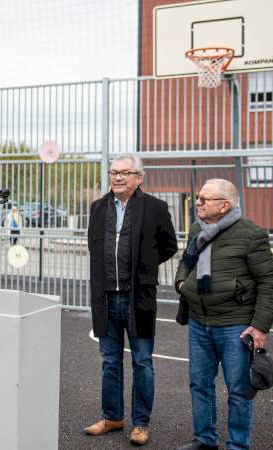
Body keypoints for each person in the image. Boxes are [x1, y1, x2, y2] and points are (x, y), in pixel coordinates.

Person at [174, 179, 273, 450]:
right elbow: (186, 261)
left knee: (238, 390)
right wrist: (181, 284)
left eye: (204, 199)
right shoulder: (198, 228)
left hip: (235, 325)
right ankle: (205, 440)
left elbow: (268, 281)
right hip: (199, 321)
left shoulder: (251, 234)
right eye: (198, 197)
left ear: (224, 206)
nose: (197, 202)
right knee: (199, 383)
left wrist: (260, 327)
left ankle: (238, 444)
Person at [84, 154, 177, 446]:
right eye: (114, 172)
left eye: (125, 172)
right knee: (110, 361)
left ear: (139, 178)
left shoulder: (156, 208)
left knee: (142, 362)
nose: (118, 177)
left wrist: (145, 266)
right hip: (106, 299)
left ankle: (141, 423)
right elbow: (94, 246)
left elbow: (169, 246)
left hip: (138, 298)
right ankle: (112, 417)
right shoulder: (98, 208)